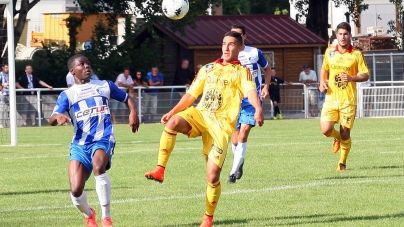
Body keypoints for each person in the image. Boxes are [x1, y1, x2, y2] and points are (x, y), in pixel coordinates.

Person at [144, 31, 264, 227]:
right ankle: (160, 169)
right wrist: (172, 110)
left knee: (213, 175)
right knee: (173, 122)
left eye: (232, 44)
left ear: (240, 48)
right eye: (224, 43)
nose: (226, 47)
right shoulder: (208, 68)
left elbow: (251, 91)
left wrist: (258, 108)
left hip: (222, 126)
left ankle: (208, 217)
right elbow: (191, 95)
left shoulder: (243, 72)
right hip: (200, 115)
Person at [49, 54, 139, 227]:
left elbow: (128, 99)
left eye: (88, 63)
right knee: (75, 190)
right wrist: (58, 117)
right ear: (72, 70)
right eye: (81, 64)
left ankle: (106, 218)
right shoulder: (67, 94)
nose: (87, 67)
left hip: (103, 138)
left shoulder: (104, 85)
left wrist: (133, 112)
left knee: (99, 166)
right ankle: (89, 215)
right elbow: (52, 118)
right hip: (80, 144)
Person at [319, 22, 369, 171]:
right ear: (336, 35)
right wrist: (322, 82)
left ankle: (342, 162)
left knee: (345, 131)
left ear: (350, 35)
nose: (343, 37)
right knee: (325, 130)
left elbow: (365, 75)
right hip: (331, 98)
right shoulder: (329, 52)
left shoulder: (356, 54)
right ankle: (337, 138)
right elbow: (324, 69)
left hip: (348, 100)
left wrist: (352, 78)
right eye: (340, 34)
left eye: (345, 34)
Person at [227, 23, 271, 184]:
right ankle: (239, 161)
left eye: (238, 35)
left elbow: (267, 69)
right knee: (235, 140)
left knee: (244, 134)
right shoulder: (228, 55)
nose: (235, 38)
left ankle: (232, 173)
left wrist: (266, 87)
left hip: (251, 100)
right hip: (233, 101)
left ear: (244, 36)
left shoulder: (254, 52)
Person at [0, 64, 9, 128]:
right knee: (2, 109)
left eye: (8, 68)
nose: (7, 69)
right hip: (3, 93)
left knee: (9, 109)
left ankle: (8, 123)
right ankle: (1, 123)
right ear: (3, 68)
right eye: (6, 67)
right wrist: (1, 88)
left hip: (10, 94)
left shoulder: (10, 74)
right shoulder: (0, 74)